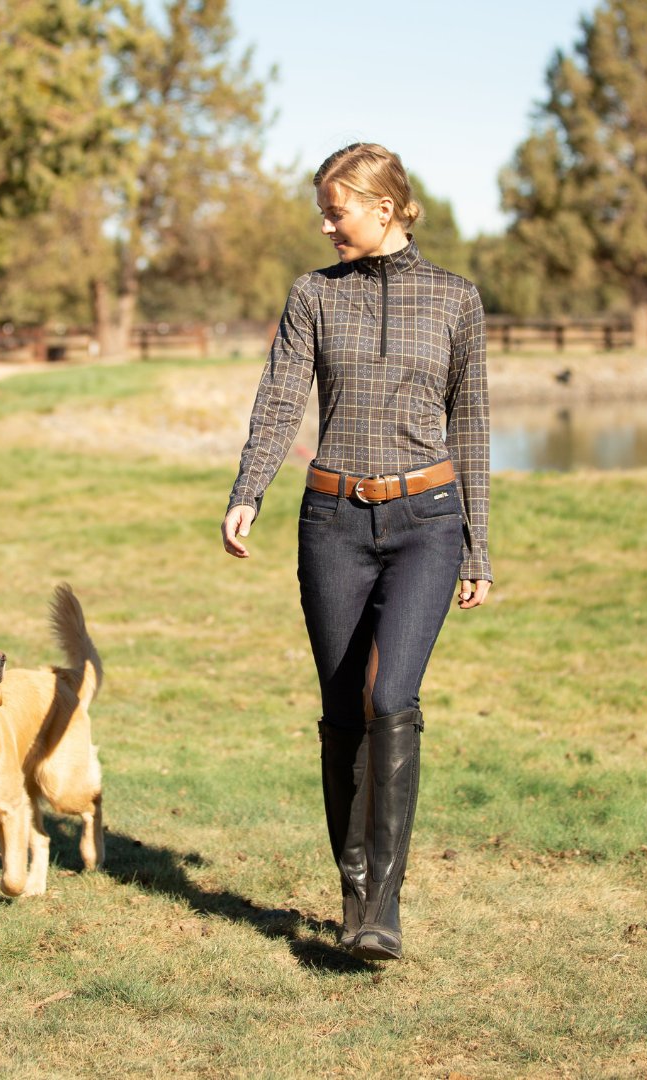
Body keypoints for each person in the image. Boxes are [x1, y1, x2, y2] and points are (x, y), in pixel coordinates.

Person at [221, 142, 492, 962]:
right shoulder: (313, 296)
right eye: (325, 212)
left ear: (384, 206)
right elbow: (280, 397)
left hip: (427, 523)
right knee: (342, 710)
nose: (327, 225)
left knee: (392, 696)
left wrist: (478, 544)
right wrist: (248, 489)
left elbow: (472, 421)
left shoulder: (456, 299)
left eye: (336, 210)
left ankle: (384, 902)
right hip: (332, 522)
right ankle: (351, 886)